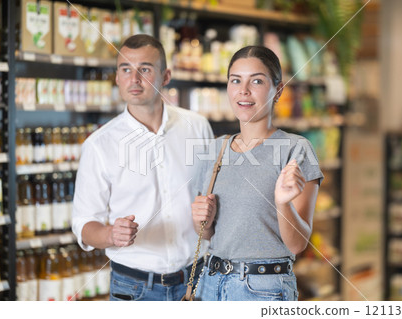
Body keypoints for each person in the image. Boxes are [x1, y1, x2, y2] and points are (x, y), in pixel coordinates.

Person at [72, 34, 213, 301]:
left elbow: (212, 195)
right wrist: (110, 234)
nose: (134, 79)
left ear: (166, 76)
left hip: (197, 283)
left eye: (145, 69)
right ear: (116, 77)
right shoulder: (100, 145)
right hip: (134, 289)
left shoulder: (198, 127)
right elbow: (83, 224)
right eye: (125, 69)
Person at [191, 45, 323, 301]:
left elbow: (297, 245)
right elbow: (207, 234)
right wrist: (200, 220)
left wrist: (283, 204)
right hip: (210, 285)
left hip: (261, 290)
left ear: (278, 90)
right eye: (235, 80)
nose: (244, 90)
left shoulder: (295, 150)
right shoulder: (215, 149)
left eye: (257, 81)